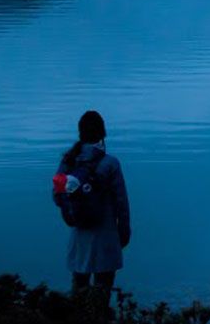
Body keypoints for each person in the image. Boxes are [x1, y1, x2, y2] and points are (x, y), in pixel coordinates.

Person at [57, 110, 131, 304]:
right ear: (103, 133)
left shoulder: (69, 161)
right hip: (106, 238)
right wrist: (124, 233)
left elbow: (57, 196)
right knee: (102, 294)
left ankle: (77, 315)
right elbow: (122, 204)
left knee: (78, 292)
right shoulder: (110, 163)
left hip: (79, 237)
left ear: (80, 133)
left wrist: (72, 210)